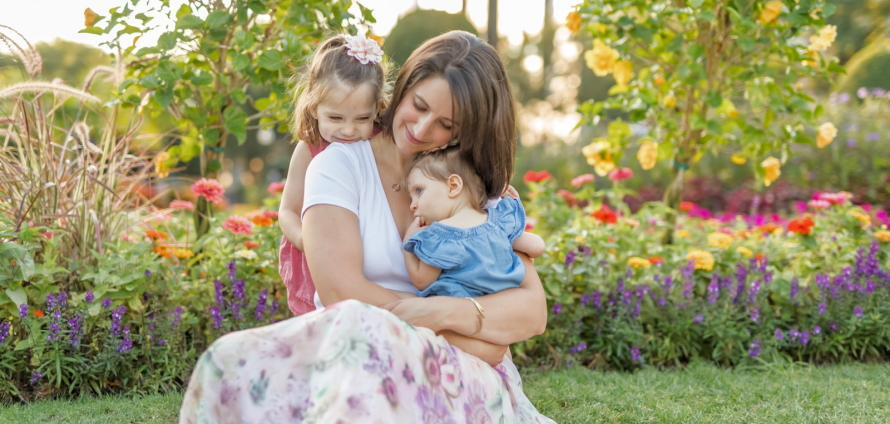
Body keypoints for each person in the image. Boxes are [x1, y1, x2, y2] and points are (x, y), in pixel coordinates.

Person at [179, 31, 553, 423]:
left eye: (446, 124)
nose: (422, 129)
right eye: (418, 105)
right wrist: (473, 328)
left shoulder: (475, 189)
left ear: (467, 131)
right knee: (230, 359)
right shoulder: (338, 165)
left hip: (453, 365)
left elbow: (531, 312)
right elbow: (341, 291)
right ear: (401, 88)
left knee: (366, 340)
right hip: (352, 347)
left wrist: (444, 313)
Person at [277, 34, 388, 316]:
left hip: (368, 251)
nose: (349, 130)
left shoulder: (380, 143)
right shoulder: (310, 149)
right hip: (322, 252)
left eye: (362, 118)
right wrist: (307, 241)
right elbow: (287, 210)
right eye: (336, 118)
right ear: (314, 107)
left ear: (377, 108)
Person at [401, 147, 546, 300]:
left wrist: (407, 243)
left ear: (454, 186)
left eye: (419, 191)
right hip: (502, 308)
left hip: (455, 312)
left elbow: (421, 281)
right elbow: (537, 247)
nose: (413, 205)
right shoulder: (498, 224)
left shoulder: (441, 236)